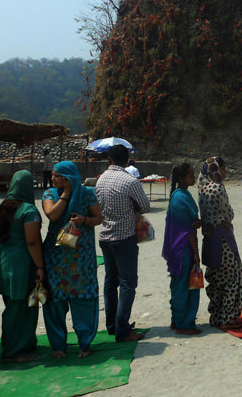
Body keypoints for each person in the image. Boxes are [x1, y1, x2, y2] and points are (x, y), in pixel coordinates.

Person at [42, 161, 102, 358]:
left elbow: (99, 217)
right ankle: (59, 346)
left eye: (56, 175)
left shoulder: (86, 194)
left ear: (66, 178)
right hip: (56, 257)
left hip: (81, 259)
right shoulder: (51, 194)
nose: (52, 179)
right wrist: (67, 194)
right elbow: (52, 215)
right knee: (55, 301)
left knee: (83, 298)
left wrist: (84, 220)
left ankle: (85, 344)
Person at [96, 144, 150, 343]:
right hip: (124, 236)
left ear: (109, 159)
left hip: (105, 236)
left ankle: (112, 325)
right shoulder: (130, 181)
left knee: (110, 282)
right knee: (127, 283)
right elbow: (145, 206)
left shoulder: (100, 180)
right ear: (127, 160)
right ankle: (123, 329)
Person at [0, 170, 45, 362]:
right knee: (20, 308)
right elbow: (32, 242)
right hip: (22, 264)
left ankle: (24, 343)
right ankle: (15, 351)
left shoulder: (1, 208)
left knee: (13, 305)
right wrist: (40, 266)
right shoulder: (29, 210)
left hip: (4, 263)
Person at [197, 156, 242, 329]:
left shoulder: (202, 188)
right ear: (216, 169)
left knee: (216, 280)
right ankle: (227, 318)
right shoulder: (217, 188)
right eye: (223, 169)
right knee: (232, 278)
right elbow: (229, 213)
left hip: (210, 240)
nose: (225, 172)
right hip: (223, 240)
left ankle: (216, 316)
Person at [163, 163, 201, 334]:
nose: (193, 178)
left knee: (178, 283)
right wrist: (196, 252)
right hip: (183, 247)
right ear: (182, 178)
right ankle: (184, 323)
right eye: (191, 175)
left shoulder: (181, 195)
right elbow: (188, 229)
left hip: (177, 246)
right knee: (185, 285)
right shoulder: (180, 198)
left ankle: (177, 320)